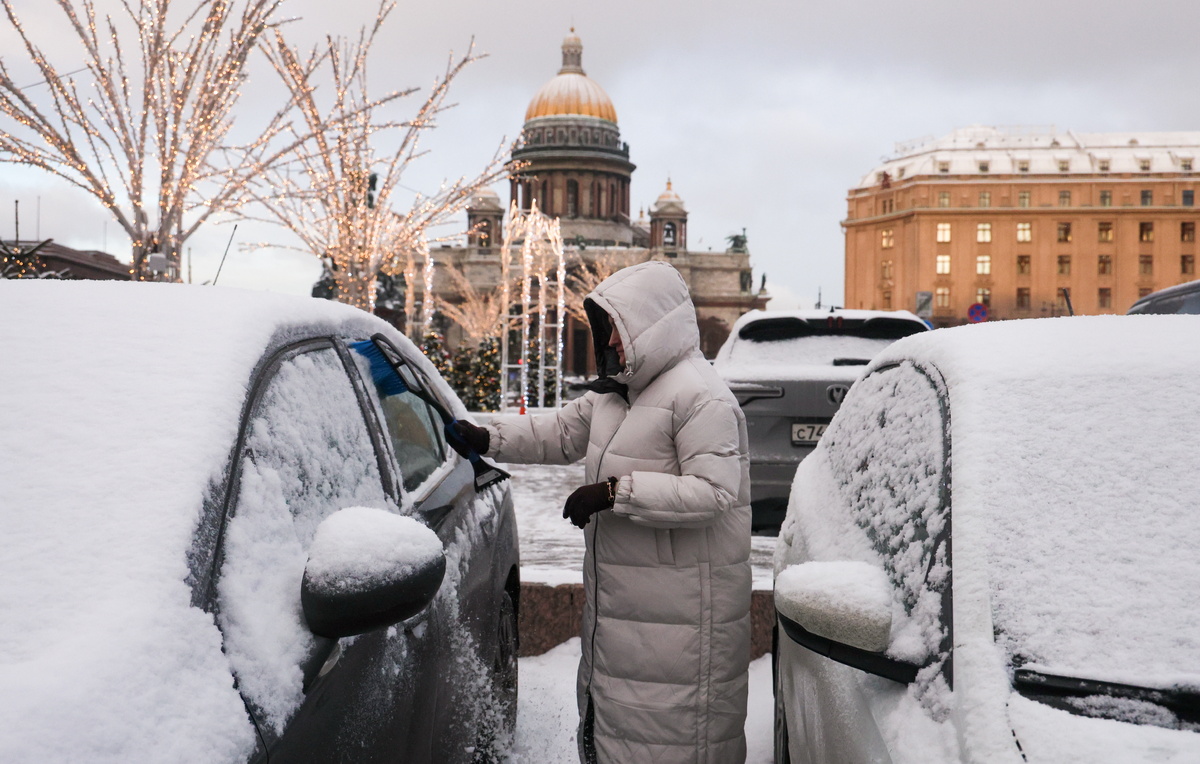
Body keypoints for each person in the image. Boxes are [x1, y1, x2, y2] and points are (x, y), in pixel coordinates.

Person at [453, 261, 752, 763]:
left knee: (673, 740)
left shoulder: (702, 397)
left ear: (650, 323)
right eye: (606, 327)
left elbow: (713, 492)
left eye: (617, 325)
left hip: (684, 619)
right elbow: (560, 432)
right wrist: (489, 437)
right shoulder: (620, 393)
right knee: (617, 730)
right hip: (628, 611)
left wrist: (614, 493)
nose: (610, 340)